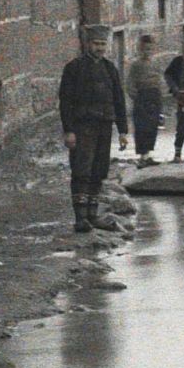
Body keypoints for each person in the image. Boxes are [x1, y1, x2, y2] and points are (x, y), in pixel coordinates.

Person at [59, 23, 128, 233]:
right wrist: (69, 130)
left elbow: (119, 100)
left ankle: (92, 214)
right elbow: (65, 102)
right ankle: (80, 218)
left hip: (104, 127)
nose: (100, 48)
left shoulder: (110, 69)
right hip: (83, 127)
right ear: (88, 44)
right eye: (96, 44)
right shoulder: (74, 68)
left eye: (103, 44)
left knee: (99, 171)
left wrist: (123, 131)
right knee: (82, 170)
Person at [127, 33, 166, 168]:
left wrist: (160, 95)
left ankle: (148, 154)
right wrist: (136, 97)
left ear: (153, 49)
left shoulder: (156, 63)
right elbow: (130, 83)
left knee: (153, 126)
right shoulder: (135, 65)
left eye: (149, 49)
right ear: (139, 49)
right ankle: (142, 156)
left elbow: (159, 80)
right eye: (144, 49)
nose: (147, 52)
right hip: (142, 97)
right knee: (141, 127)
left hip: (154, 97)